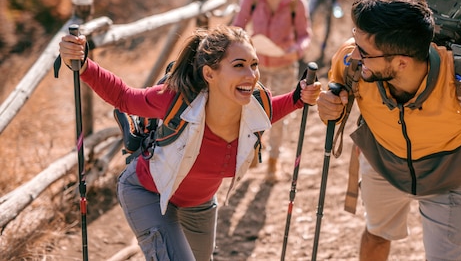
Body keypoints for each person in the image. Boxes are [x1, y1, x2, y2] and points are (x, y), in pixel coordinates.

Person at [58, 25, 321, 261]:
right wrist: (82, 64)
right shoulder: (177, 100)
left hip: (200, 206)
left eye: (254, 64)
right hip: (149, 193)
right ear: (210, 73)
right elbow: (125, 97)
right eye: (239, 65)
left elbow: (275, 109)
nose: (251, 75)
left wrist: (299, 97)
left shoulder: (255, 106)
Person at [315, 0, 461, 261]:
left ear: (402, 63)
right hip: (383, 164)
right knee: (377, 234)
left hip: (449, 178)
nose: (354, 55)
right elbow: (335, 107)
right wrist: (329, 109)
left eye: (363, 51)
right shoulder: (352, 61)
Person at [232, 0, 312, 182]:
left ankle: (274, 162)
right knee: (250, 110)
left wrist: (295, 51)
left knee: (278, 114)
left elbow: (305, 35)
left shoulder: (296, 1)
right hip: (253, 68)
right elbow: (237, 28)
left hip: (285, 66)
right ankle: (257, 149)